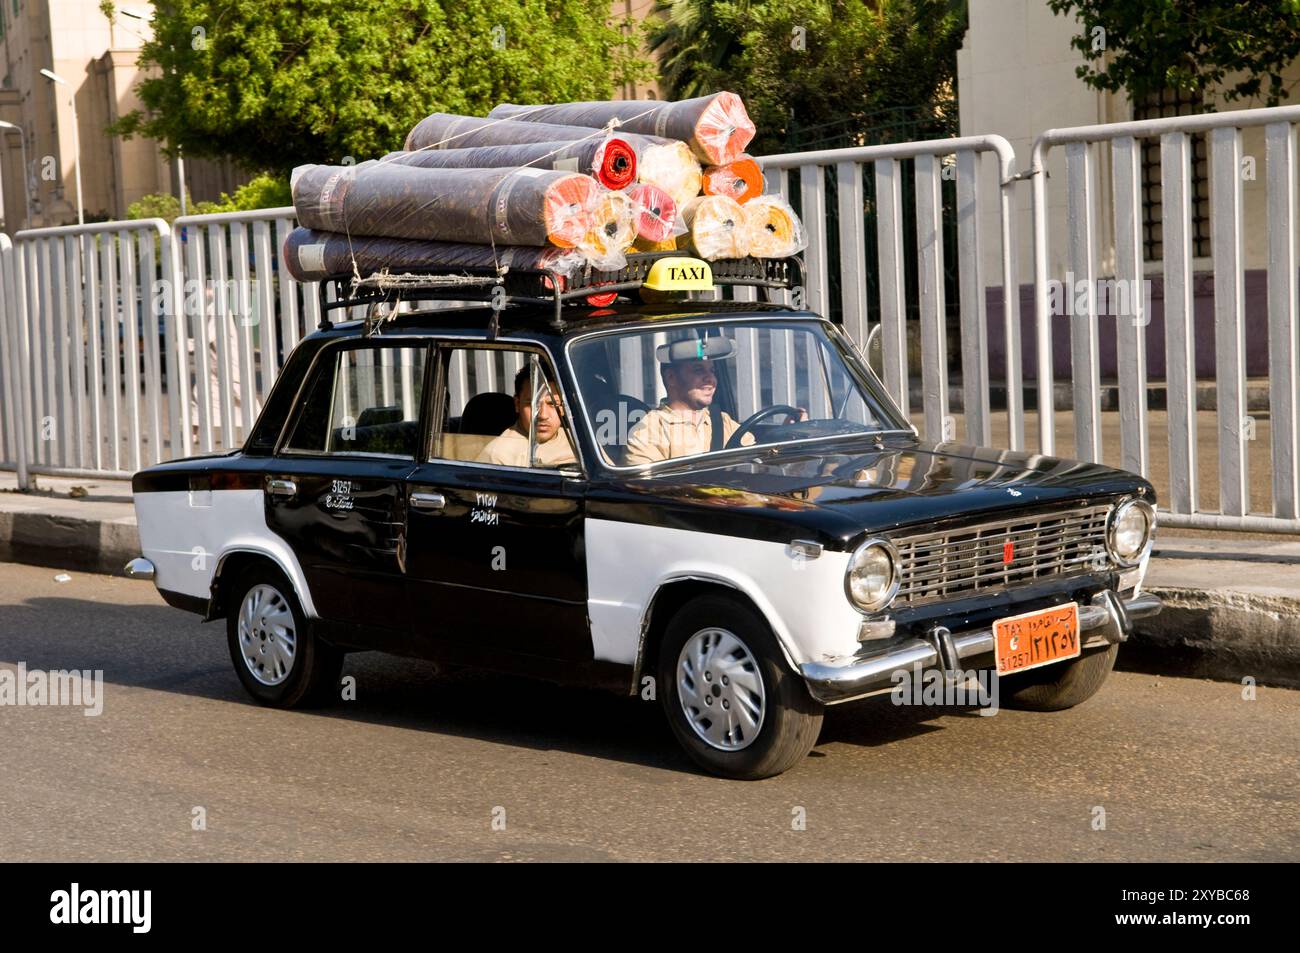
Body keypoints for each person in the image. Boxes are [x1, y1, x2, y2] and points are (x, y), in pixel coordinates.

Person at [624, 336, 754, 465]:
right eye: (698, 370)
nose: (711, 378)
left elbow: (755, 458)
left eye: (712, 370)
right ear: (671, 378)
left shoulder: (722, 421)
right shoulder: (647, 432)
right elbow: (645, 484)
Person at [478, 366, 577, 468]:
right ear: (517, 404)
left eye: (552, 404)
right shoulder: (499, 456)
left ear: (563, 407)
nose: (543, 415)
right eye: (533, 404)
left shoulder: (578, 441)